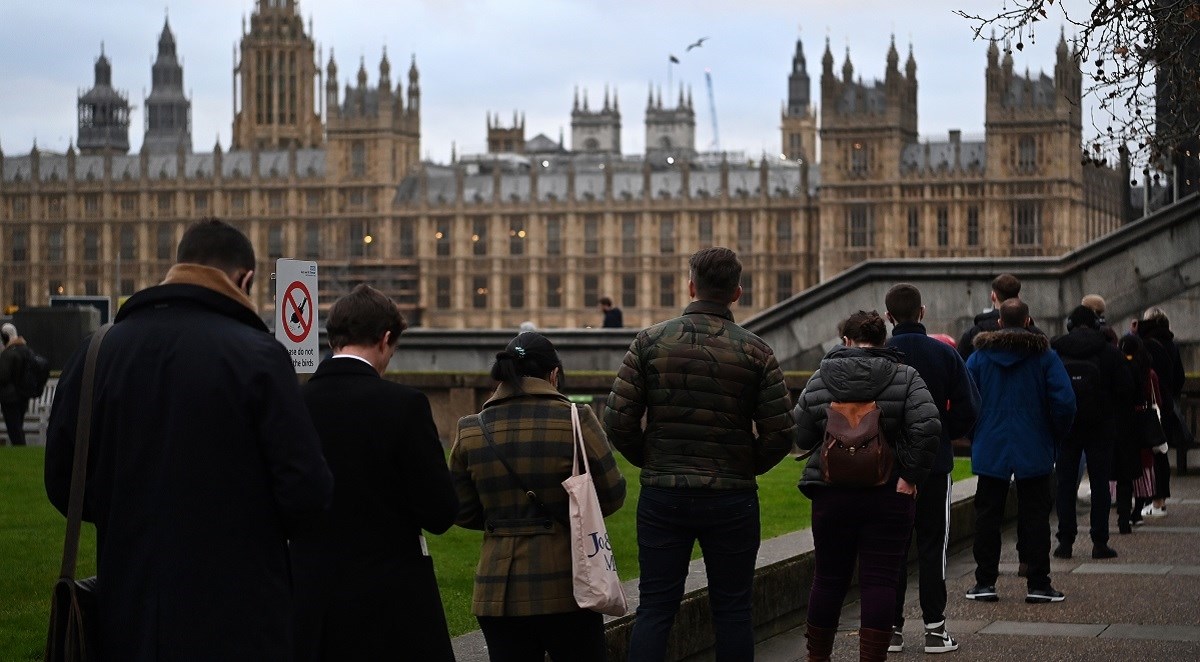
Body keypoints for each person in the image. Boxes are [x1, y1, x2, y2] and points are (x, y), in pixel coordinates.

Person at [44, 218, 334, 660]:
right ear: (245, 279)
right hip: (238, 620)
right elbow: (307, 494)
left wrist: (133, 520)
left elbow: (63, 482)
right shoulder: (258, 357)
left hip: (127, 611)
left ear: (175, 267)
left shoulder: (96, 351)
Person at [604, 247, 796, 662]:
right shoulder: (757, 351)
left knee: (655, 607)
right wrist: (744, 465)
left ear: (691, 286)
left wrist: (653, 460)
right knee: (732, 610)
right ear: (737, 293)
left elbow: (618, 420)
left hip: (663, 495)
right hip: (732, 497)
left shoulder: (649, 341)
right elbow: (781, 432)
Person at [291, 284, 459, 661]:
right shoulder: (405, 406)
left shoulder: (294, 404)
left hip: (311, 601)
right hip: (391, 605)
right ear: (386, 339)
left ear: (333, 338)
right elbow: (441, 512)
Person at [451, 331, 626, 662]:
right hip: (569, 585)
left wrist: (503, 523)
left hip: (496, 590)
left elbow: (462, 511)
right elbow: (613, 493)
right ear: (554, 374)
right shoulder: (576, 420)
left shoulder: (470, 428)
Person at [794, 310, 940, 662]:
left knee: (828, 578)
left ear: (845, 340)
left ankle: (818, 658)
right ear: (883, 339)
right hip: (888, 493)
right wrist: (910, 477)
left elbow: (800, 432)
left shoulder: (820, 377)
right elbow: (929, 426)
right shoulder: (906, 376)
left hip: (831, 493)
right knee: (880, 581)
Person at [882, 284, 980, 654]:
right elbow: (970, 407)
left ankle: (891, 629)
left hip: (887, 468)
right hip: (934, 466)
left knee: (891, 548)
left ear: (889, 316)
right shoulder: (944, 354)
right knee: (932, 546)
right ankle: (935, 629)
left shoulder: (880, 356)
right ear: (922, 312)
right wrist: (943, 434)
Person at [964, 298, 1075, 604]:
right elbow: (1065, 403)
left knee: (987, 516)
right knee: (1036, 516)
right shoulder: (1045, 357)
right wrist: (1053, 434)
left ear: (999, 323)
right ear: (1028, 321)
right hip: (1033, 443)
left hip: (991, 444)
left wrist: (978, 434)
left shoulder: (979, 358)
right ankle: (1038, 583)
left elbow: (965, 401)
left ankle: (985, 581)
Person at [1050, 305, 1134, 560]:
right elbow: (1126, 390)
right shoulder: (1108, 352)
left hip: (1067, 426)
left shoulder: (1056, 351)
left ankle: (1065, 541)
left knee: (1065, 484)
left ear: (1070, 325)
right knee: (1100, 484)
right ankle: (1099, 541)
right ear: (1096, 325)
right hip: (1100, 426)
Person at [1134, 307, 1187, 517]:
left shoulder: (1145, 345)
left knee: (1149, 454)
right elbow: (1180, 377)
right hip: (1165, 406)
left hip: (1148, 407)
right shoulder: (1171, 345)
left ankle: (1152, 500)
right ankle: (1160, 500)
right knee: (1161, 452)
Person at [1114, 334, 1161, 533]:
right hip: (1140, 426)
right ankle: (1137, 512)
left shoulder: (1116, 369)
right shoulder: (1146, 371)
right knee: (1142, 469)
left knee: (1123, 477)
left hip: (1119, 426)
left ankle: (1123, 517)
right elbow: (1156, 398)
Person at [958, 273, 1044, 360]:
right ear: (1018, 297)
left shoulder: (974, 333)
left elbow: (962, 367)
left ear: (993, 296)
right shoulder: (1037, 336)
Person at [0, 323, 31, 446]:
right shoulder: (25, 349)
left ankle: (20, 447)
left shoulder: (8, 353)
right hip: (23, 394)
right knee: (18, 425)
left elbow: (3, 376)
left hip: (9, 397)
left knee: (14, 427)